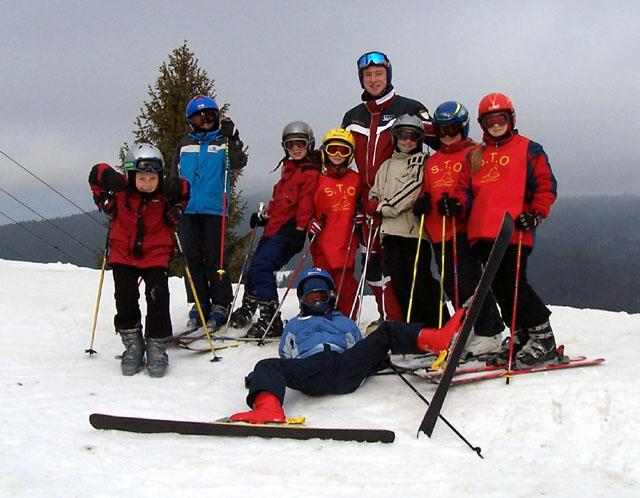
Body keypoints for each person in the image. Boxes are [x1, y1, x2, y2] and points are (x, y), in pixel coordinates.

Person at [227, 267, 466, 424]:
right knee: (266, 365)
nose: (318, 302)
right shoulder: (294, 326)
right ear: (302, 301)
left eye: (321, 295)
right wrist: (265, 377)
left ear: (331, 295)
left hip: (345, 365)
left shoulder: (345, 322)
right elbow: (286, 358)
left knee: (386, 330)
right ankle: (268, 409)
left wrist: (373, 359)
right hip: (313, 370)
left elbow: (358, 347)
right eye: (312, 298)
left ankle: (436, 340)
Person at [447, 92, 558, 366]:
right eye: (490, 121)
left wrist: (534, 214)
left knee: (513, 283)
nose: (496, 125)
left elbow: (545, 186)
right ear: (482, 124)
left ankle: (543, 336)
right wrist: (455, 204)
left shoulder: (528, 149)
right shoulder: (475, 154)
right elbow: (464, 190)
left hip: (512, 230)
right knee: (498, 286)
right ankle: (520, 334)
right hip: (482, 233)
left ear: (511, 119)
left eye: (501, 119)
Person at [341, 51, 439, 329]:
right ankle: (391, 321)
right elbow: (339, 155)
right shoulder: (353, 116)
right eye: (368, 75)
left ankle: (426, 323)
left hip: (404, 203)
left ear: (388, 75)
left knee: (410, 269)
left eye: (379, 74)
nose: (373, 80)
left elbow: (443, 141)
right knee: (373, 265)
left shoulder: (409, 108)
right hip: (368, 202)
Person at [89, 143, 190, 377]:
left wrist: (177, 209)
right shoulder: (122, 188)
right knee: (125, 298)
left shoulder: (166, 189)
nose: (147, 184)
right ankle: (133, 346)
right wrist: (105, 198)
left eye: (152, 178)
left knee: (158, 299)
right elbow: (96, 174)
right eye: (142, 178)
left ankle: (156, 347)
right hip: (123, 252)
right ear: (131, 174)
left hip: (156, 252)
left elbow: (185, 189)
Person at [413, 101, 504, 357]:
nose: (447, 135)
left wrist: (461, 205)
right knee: (452, 285)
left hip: (465, 229)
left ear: (463, 127)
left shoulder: (476, 152)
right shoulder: (433, 161)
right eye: (442, 130)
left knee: (470, 282)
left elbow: (487, 188)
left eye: (453, 129)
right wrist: (421, 203)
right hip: (439, 230)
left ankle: (490, 331)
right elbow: (427, 190)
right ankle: (468, 326)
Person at [229, 121, 321, 338]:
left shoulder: (309, 172)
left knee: (262, 266)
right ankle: (249, 306)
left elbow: (306, 203)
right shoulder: (289, 169)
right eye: (291, 145)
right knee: (255, 265)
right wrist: (265, 217)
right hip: (274, 228)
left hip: (289, 232)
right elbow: (282, 202)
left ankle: (270, 319)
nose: (296, 149)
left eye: (301, 144)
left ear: (310, 144)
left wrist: (300, 229)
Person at [170, 95, 248, 331]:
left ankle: (221, 303)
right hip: (187, 208)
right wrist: (170, 200)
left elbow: (238, 162)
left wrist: (233, 137)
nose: (205, 120)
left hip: (214, 208)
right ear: (191, 120)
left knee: (216, 258)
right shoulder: (184, 144)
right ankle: (199, 302)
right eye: (199, 117)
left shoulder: (223, 142)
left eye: (210, 116)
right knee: (192, 257)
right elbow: (175, 174)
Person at [367, 114, 446, 326]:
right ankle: (414, 329)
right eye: (403, 136)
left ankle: (439, 324)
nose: (407, 141)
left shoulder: (421, 162)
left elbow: (411, 192)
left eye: (413, 137)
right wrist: (373, 203)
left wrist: (382, 207)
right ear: (395, 137)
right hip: (389, 234)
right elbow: (374, 192)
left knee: (420, 281)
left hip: (413, 233)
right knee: (399, 283)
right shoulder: (387, 165)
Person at [308, 128, 361, 318]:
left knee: (345, 284)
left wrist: (361, 215)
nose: (338, 155)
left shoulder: (355, 179)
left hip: (346, 241)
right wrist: (309, 223)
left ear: (351, 155)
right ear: (325, 151)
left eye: (343, 151)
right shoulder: (317, 179)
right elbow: (306, 207)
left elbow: (362, 203)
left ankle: (346, 320)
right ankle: (319, 317)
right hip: (322, 242)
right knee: (322, 281)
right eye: (333, 150)